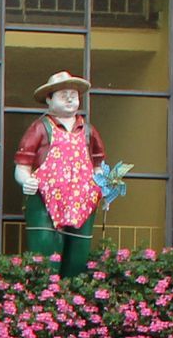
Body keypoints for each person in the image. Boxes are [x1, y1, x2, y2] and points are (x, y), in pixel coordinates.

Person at [14, 71, 106, 276]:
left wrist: (104, 185)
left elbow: (99, 165)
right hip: (44, 201)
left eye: (73, 94)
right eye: (63, 94)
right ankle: (46, 295)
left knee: (78, 255)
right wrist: (26, 180)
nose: (70, 98)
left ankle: (72, 295)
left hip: (82, 201)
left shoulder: (89, 131)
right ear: (49, 99)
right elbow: (22, 166)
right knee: (45, 254)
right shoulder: (39, 128)